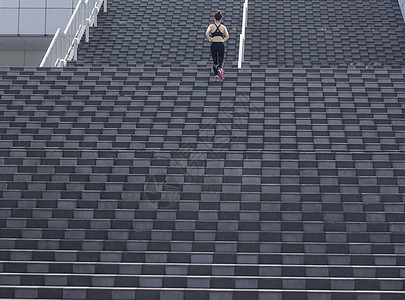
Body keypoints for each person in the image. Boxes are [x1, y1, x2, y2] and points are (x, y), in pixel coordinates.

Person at [205, 10, 229, 82]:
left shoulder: (211, 26)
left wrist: (210, 39)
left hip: (214, 44)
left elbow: (206, 33)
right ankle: (220, 68)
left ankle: (216, 76)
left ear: (214, 18)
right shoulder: (223, 27)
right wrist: (223, 40)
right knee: (220, 60)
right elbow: (227, 36)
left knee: (215, 61)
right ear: (221, 19)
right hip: (220, 44)